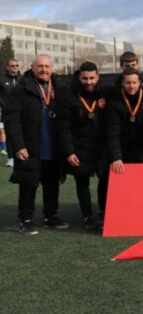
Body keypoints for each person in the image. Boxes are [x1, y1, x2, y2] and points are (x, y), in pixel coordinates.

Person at [5, 54, 68, 234]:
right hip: (30, 147)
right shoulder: (21, 89)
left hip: (53, 147)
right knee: (28, 184)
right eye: (40, 66)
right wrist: (18, 145)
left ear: (52, 68)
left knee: (52, 184)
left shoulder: (60, 87)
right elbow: (12, 120)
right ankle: (25, 220)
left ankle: (50, 216)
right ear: (32, 68)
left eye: (47, 66)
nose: (44, 70)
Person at [56, 62, 105, 230]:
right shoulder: (68, 96)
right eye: (85, 78)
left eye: (92, 78)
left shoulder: (105, 94)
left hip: (101, 147)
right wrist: (69, 151)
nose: (89, 82)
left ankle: (103, 212)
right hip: (79, 147)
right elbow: (63, 127)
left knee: (104, 180)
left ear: (98, 76)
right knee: (82, 182)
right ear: (79, 77)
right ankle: (87, 216)